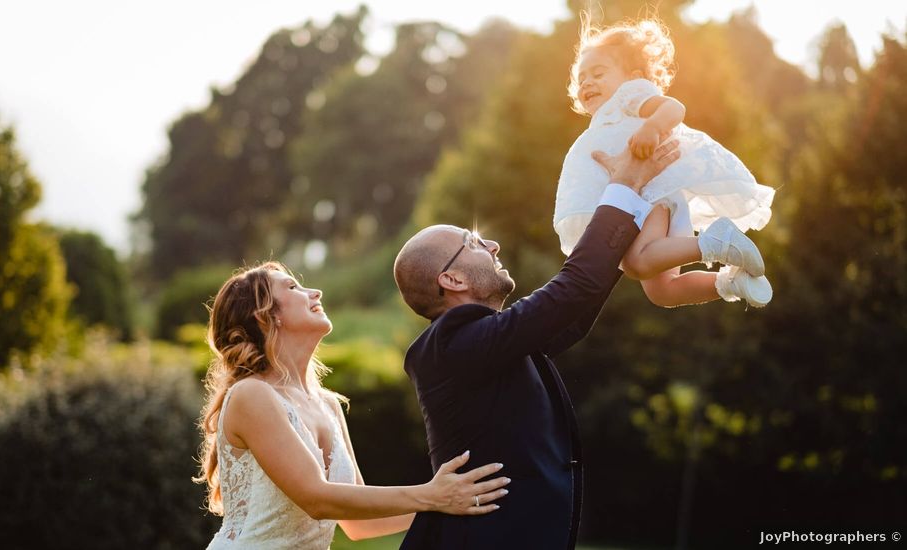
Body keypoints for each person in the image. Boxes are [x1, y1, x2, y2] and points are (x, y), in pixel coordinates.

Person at [393, 138, 680, 549]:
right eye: (473, 243)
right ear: (452, 280)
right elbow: (572, 289)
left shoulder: (486, 346)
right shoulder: (452, 346)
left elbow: (572, 315)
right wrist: (622, 188)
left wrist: (633, 208)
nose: (491, 244)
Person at [196, 262, 511, 550]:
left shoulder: (328, 405)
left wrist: (455, 503)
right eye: (292, 287)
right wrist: (431, 494)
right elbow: (316, 499)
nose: (315, 291)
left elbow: (360, 523)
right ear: (265, 315)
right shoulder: (252, 395)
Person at [555, 16, 776, 308]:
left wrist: (652, 127)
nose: (588, 83)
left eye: (598, 73)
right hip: (637, 199)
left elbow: (674, 108)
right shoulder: (602, 122)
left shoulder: (628, 97)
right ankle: (730, 283)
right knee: (661, 292)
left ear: (632, 77)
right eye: (581, 79)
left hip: (652, 193)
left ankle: (716, 242)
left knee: (637, 262)